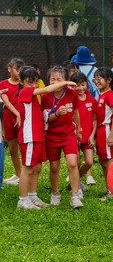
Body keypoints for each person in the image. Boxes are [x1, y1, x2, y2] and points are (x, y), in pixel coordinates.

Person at [16, 66, 76, 210]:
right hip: (29, 136)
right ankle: (22, 200)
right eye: (29, 82)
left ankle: (32, 196)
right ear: (22, 82)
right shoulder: (25, 92)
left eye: (35, 82)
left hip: (38, 135)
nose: (33, 85)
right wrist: (66, 83)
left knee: (37, 167)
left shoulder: (31, 94)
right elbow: (48, 89)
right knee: (27, 168)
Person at [41, 66, 84, 208]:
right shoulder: (46, 96)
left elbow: (76, 113)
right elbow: (47, 119)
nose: (55, 81)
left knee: (72, 163)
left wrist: (78, 129)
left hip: (68, 134)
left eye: (59, 79)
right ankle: (55, 193)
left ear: (65, 81)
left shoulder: (72, 93)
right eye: (52, 79)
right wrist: (58, 114)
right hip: (52, 136)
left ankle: (75, 195)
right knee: (54, 167)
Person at [94, 68, 113, 200]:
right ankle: (108, 187)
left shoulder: (109, 95)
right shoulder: (102, 94)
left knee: (108, 161)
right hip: (100, 131)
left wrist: (111, 135)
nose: (96, 81)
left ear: (109, 80)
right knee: (102, 160)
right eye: (95, 78)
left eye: (100, 78)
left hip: (107, 130)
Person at [70, 71, 97, 186]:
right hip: (74, 136)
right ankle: (77, 184)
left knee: (89, 162)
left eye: (83, 84)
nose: (80, 88)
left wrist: (92, 135)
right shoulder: (70, 100)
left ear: (87, 84)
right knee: (75, 162)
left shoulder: (92, 100)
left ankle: (76, 180)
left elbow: (95, 119)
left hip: (88, 137)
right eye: (77, 85)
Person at [1, 58, 25, 186]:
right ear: (9, 69)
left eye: (21, 69)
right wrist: (17, 114)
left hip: (23, 117)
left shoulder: (24, 83)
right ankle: (18, 173)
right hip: (10, 117)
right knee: (12, 148)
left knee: (23, 146)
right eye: (17, 69)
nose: (19, 72)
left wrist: (21, 115)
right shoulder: (3, 84)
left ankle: (25, 174)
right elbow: (6, 102)